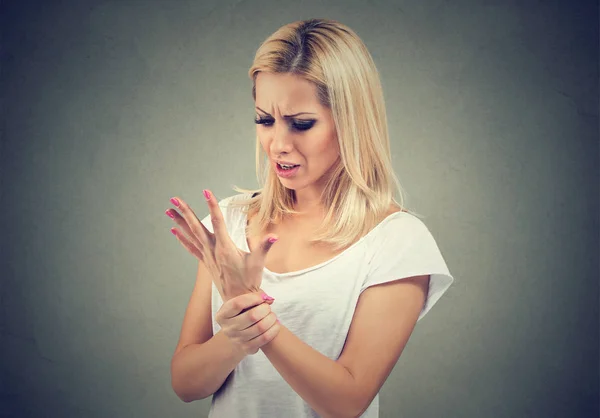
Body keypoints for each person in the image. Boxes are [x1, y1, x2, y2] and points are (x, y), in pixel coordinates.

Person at [166, 18, 454, 418]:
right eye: (264, 120)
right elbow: (185, 384)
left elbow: (347, 401)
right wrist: (234, 337)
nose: (278, 144)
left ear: (352, 123)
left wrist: (253, 313)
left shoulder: (397, 241)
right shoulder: (230, 223)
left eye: (301, 124)